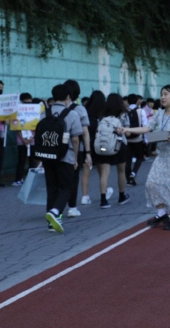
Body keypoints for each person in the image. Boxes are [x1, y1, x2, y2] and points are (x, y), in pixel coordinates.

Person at [121, 85, 170, 230]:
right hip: (162, 154)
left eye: (166, 94)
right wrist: (127, 129)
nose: (162, 97)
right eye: (161, 94)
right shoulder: (159, 114)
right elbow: (147, 128)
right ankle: (162, 212)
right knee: (152, 183)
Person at [44, 84, 83, 233]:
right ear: (68, 97)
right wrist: (75, 158)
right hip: (66, 156)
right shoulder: (72, 114)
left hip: (48, 156)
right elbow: (75, 139)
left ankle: (52, 223)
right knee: (67, 187)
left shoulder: (45, 113)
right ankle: (55, 212)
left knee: (52, 188)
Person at [93, 93, 131, 208]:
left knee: (104, 172)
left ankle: (103, 200)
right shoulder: (124, 115)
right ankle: (121, 196)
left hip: (104, 146)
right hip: (119, 146)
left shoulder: (102, 115)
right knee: (121, 171)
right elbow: (128, 133)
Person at [64, 79, 93, 218]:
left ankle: (54, 208)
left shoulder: (54, 109)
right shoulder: (80, 109)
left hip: (56, 150)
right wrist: (88, 153)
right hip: (75, 150)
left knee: (57, 180)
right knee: (73, 178)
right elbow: (85, 132)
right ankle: (72, 207)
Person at [80, 90, 111, 205]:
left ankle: (85, 196)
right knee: (102, 168)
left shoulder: (85, 113)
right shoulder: (102, 115)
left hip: (86, 146)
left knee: (86, 171)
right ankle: (105, 191)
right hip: (100, 147)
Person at [12, 93, 36, 186]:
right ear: (22, 101)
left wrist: (32, 138)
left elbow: (36, 126)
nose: (28, 103)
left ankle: (32, 180)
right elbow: (17, 128)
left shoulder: (34, 111)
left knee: (32, 161)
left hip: (32, 140)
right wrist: (23, 140)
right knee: (21, 160)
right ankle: (18, 179)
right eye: (26, 101)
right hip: (21, 141)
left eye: (29, 101)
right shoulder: (17, 112)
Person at [125, 93, 148, 186]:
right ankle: (133, 173)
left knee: (128, 159)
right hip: (138, 138)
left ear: (127, 101)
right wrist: (145, 138)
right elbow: (145, 125)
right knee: (140, 157)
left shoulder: (124, 111)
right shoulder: (140, 111)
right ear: (136, 101)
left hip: (127, 139)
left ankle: (129, 180)